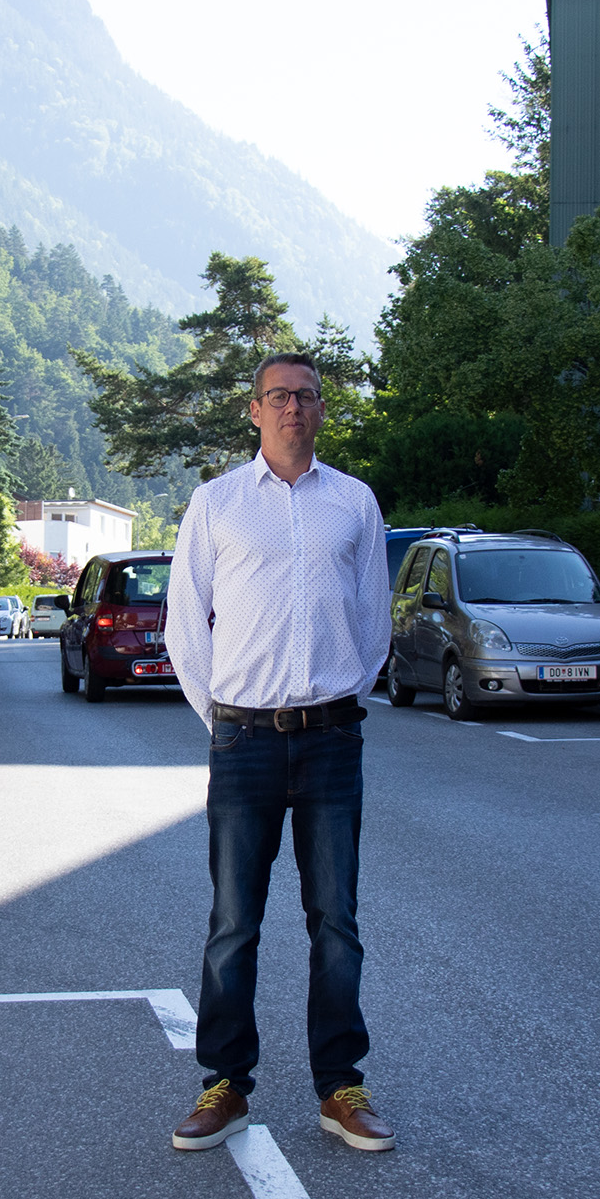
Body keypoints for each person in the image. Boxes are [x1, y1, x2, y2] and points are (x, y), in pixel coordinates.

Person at [163, 354, 394, 1152]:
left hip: (332, 740)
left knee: (337, 920)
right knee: (235, 922)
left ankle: (340, 1088)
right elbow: (186, 627)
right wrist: (224, 721)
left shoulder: (354, 504)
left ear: (321, 411)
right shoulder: (216, 502)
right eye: (278, 396)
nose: (292, 407)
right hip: (244, 741)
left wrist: (340, 701)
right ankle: (226, 1085)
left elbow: (374, 625)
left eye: (305, 395)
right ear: (253, 410)